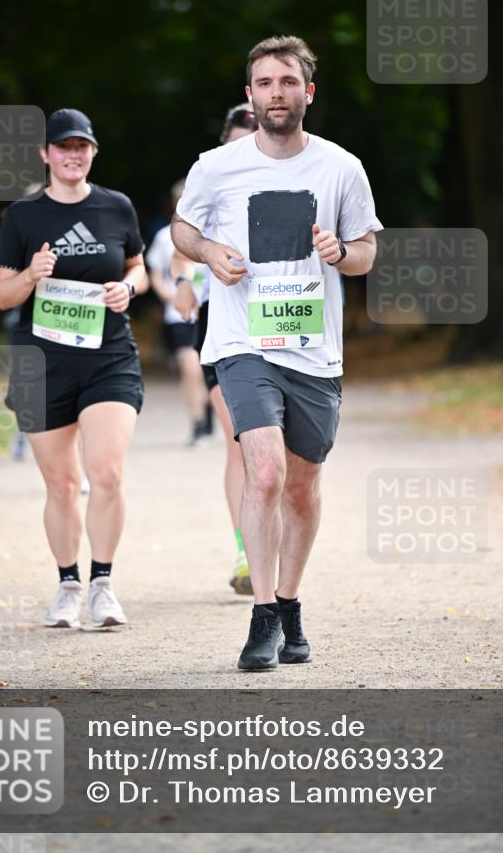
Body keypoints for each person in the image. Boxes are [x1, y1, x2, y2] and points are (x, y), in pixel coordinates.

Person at [172, 36, 383, 670]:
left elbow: (368, 250)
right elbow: (185, 227)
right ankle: (262, 616)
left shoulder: (341, 168)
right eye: (264, 83)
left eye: (287, 82)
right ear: (250, 95)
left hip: (315, 351)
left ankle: (290, 603)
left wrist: (340, 254)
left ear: (307, 92)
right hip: (242, 343)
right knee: (263, 473)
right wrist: (210, 255)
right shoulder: (217, 166)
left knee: (300, 487)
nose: (276, 93)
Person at [0, 108, 147, 630]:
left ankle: (103, 583)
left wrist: (129, 289)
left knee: (106, 472)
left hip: (108, 358)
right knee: (61, 484)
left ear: (93, 153)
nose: (73, 155)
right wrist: (32, 275)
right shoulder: (21, 216)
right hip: (43, 363)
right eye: (64, 147)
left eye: (82, 146)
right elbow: (1, 295)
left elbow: (136, 267)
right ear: (45, 154)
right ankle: (67, 585)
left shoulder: (116, 207)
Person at [172, 103, 258, 594]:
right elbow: (180, 241)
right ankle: (247, 552)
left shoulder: (294, 176)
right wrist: (182, 280)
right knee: (241, 442)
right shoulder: (210, 180)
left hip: (281, 324)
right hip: (220, 327)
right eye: (238, 136)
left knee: (282, 448)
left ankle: (275, 540)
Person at [146, 180, 211, 446]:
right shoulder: (164, 237)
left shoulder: (215, 230)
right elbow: (155, 275)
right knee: (189, 366)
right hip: (180, 313)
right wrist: (169, 295)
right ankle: (196, 422)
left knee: (209, 370)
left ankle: (209, 410)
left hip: (211, 309)